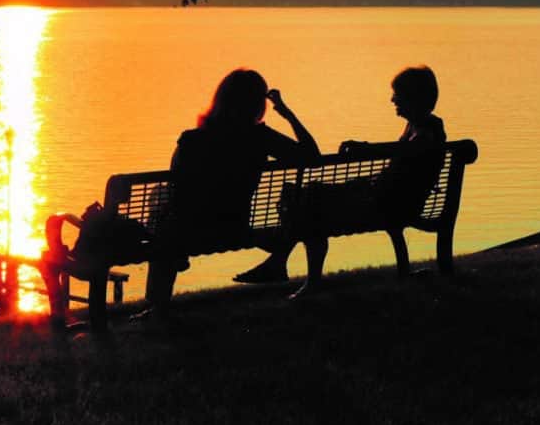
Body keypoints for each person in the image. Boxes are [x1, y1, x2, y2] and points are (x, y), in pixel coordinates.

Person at [145, 68, 320, 313]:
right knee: (167, 211)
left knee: (161, 204)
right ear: (258, 104)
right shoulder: (260, 137)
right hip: (235, 226)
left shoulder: (192, 139)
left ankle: (157, 305)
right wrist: (287, 113)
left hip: (189, 230)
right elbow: (312, 156)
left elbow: (178, 190)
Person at [340, 66, 449, 275]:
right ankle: (280, 262)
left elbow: (409, 151)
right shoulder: (418, 125)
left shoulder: (426, 131)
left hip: (393, 205)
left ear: (412, 98)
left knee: (314, 202)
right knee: (311, 196)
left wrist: (368, 149)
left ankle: (306, 279)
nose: (392, 99)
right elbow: (403, 155)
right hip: (391, 200)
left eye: (397, 94)